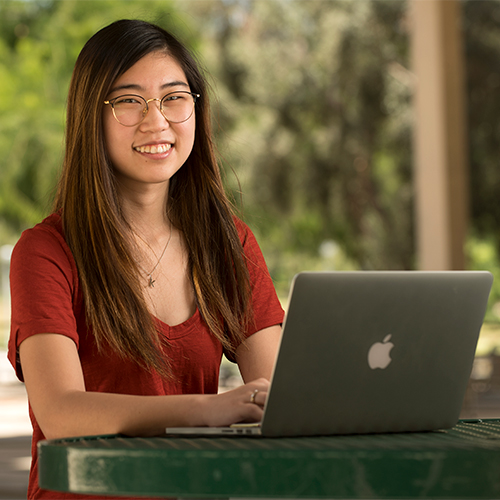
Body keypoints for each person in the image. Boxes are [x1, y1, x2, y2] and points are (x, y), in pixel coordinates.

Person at [8, 19, 284, 500]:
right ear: (90, 116)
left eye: (175, 98)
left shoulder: (229, 245)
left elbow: (280, 396)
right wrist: (206, 409)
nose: (156, 121)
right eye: (129, 101)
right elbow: (61, 415)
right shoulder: (46, 252)